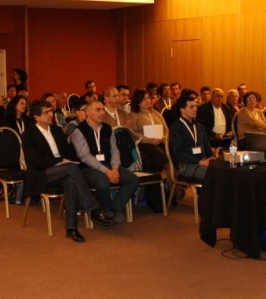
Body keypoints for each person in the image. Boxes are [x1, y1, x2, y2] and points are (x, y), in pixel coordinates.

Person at [22, 100, 114, 242]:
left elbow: (68, 153)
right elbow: (36, 162)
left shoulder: (57, 131)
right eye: (46, 112)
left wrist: (76, 158)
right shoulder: (29, 135)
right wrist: (60, 161)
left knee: (71, 180)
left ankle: (71, 228)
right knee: (71, 169)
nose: (51, 114)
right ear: (36, 117)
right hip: (40, 174)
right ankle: (94, 209)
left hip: (64, 171)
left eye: (51, 111)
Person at [70, 100, 140, 222]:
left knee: (133, 180)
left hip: (109, 165)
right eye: (98, 110)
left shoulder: (108, 129)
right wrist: (107, 172)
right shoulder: (79, 131)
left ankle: (113, 209)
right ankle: (104, 210)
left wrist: (115, 169)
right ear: (88, 113)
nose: (102, 113)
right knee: (103, 183)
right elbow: (85, 157)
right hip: (87, 168)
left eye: (102, 110)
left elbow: (115, 151)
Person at [168, 94, 213, 181]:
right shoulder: (176, 128)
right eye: (191, 107)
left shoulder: (199, 126)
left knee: (222, 171)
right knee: (213, 174)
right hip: (186, 165)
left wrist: (211, 159)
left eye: (196, 106)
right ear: (182, 110)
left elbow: (207, 147)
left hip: (203, 162)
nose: (195, 109)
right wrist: (200, 162)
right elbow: (179, 154)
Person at [125, 88, 168, 172]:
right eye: (144, 99)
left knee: (172, 150)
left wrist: (165, 137)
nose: (147, 101)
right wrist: (149, 140)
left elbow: (166, 129)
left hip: (161, 141)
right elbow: (133, 133)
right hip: (145, 144)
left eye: (148, 98)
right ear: (138, 102)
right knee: (160, 156)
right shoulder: (133, 115)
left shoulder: (155, 113)